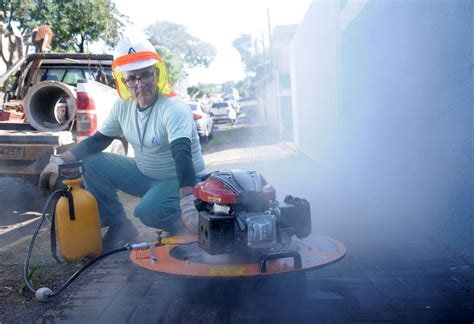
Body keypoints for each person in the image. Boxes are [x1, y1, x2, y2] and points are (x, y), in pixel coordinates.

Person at [39, 34, 206, 249]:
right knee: (92, 164)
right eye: (132, 78)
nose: (139, 84)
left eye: (145, 75)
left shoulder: (173, 108)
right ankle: (120, 226)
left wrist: (188, 202)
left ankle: (189, 224)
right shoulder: (123, 106)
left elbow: (182, 155)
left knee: (147, 212)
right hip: (145, 174)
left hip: (180, 178)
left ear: (157, 73)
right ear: (123, 81)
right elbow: (97, 141)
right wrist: (58, 161)